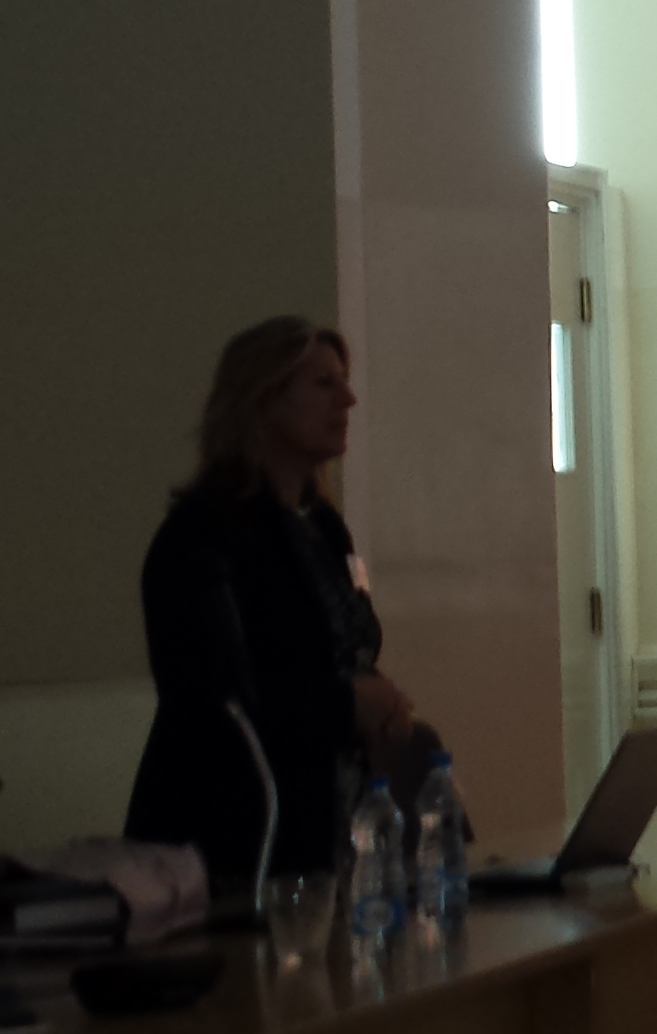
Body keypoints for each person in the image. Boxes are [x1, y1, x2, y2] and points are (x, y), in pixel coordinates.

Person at [124, 318, 432, 894]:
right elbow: (216, 705)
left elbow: (342, 650)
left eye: (344, 381)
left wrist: (380, 708)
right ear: (262, 402)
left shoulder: (325, 530)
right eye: (323, 384)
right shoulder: (203, 535)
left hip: (329, 824)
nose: (348, 399)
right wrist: (348, 704)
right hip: (238, 841)